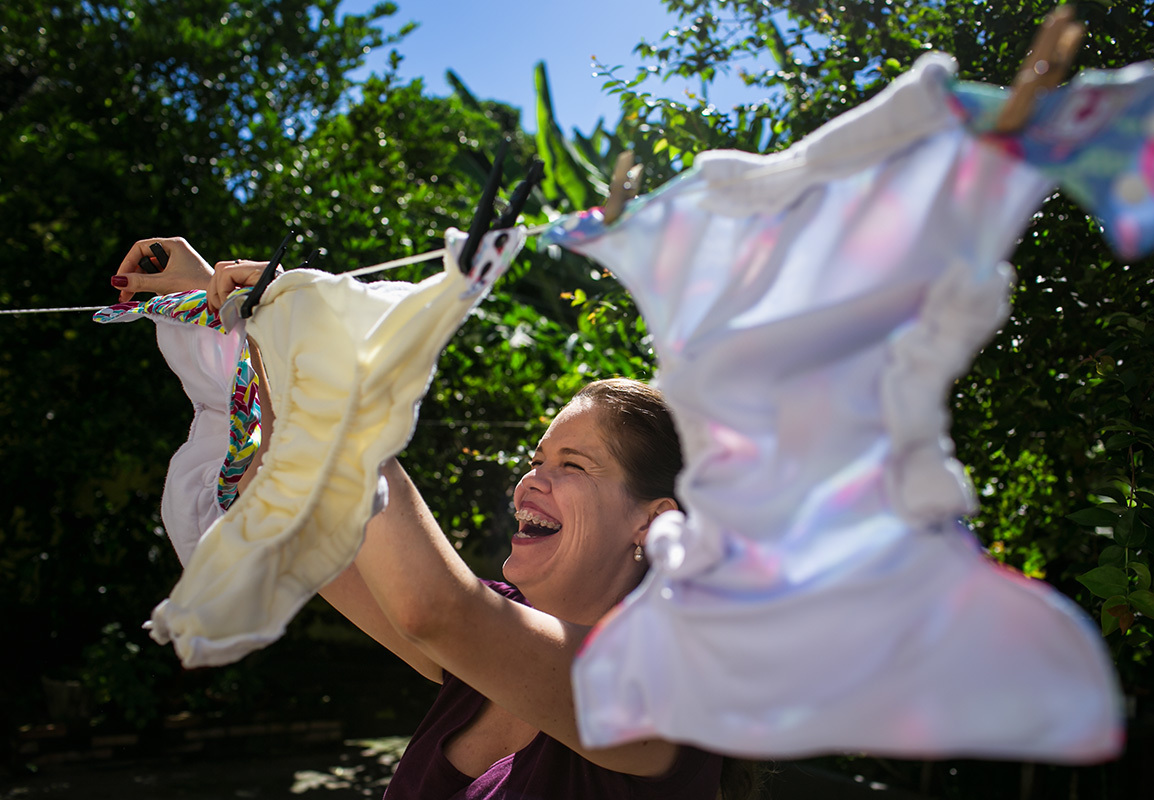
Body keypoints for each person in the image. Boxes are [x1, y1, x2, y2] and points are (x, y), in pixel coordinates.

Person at [112, 238, 753, 799]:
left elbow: (433, 608)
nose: (533, 480)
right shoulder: (480, 649)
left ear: (651, 522)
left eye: (574, 465)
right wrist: (235, 317)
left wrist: (324, 343)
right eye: (538, 459)